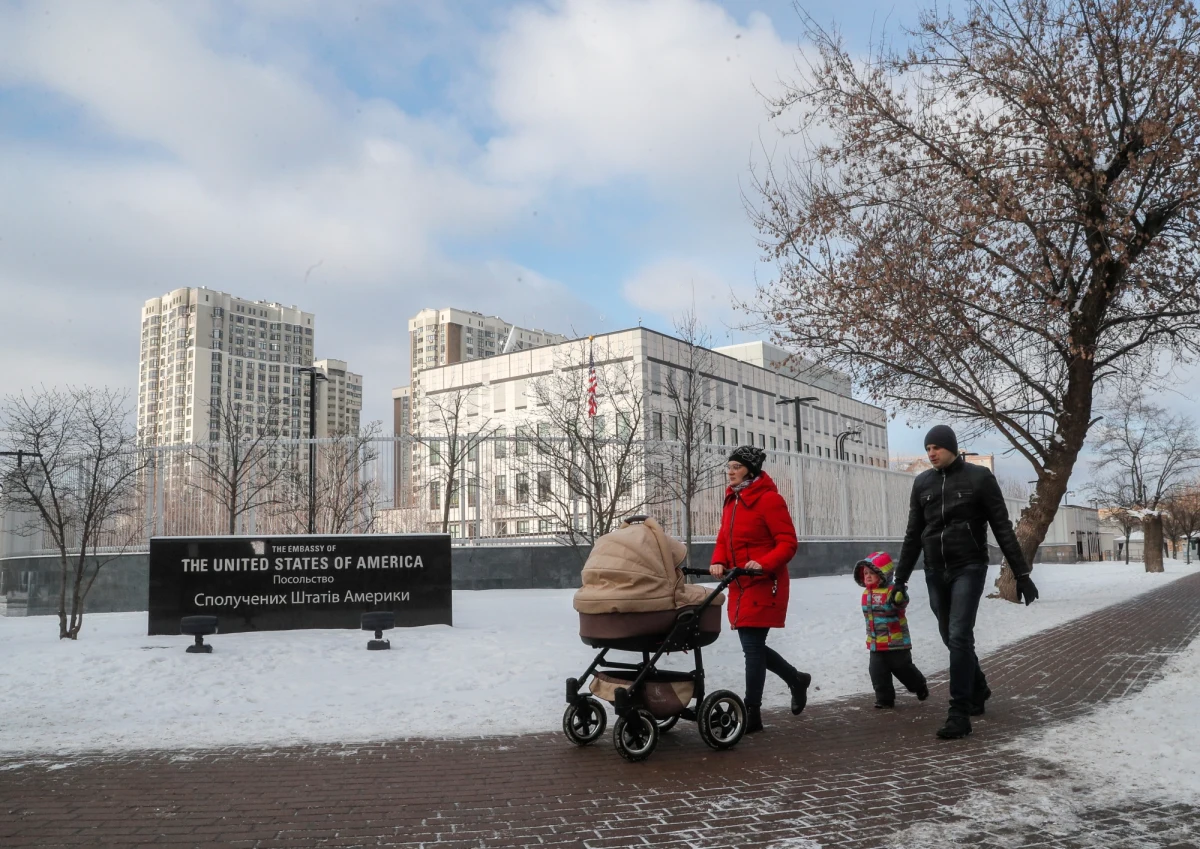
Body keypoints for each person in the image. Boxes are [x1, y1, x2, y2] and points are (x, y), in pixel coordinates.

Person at [892, 425, 1040, 740]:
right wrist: (899, 579)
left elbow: (1002, 528)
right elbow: (913, 535)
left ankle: (959, 712)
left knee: (959, 635)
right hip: (935, 569)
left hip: (969, 567)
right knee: (949, 634)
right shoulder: (922, 483)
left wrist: (1022, 575)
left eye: (936, 447)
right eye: (927, 448)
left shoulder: (979, 478)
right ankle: (979, 686)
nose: (931, 453)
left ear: (951, 447)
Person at [709, 445, 811, 734]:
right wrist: (717, 560)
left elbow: (788, 543)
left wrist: (763, 564)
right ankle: (796, 679)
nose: (729, 471)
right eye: (728, 466)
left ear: (750, 471)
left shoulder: (769, 500)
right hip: (740, 582)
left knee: (752, 648)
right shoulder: (732, 500)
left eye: (736, 467)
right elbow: (722, 538)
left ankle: (752, 711)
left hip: (765, 582)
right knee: (752, 646)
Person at [853, 551, 928, 708]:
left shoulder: (892, 590)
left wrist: (899, 597)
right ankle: (885, 699)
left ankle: (918, 684)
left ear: (883, 574)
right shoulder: (866, 593)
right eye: (865, 573)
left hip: (896, 642)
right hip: (876, 643)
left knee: (903, 669)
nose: (867, 576)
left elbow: (901, 603)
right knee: (877, 673)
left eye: (872, 573)